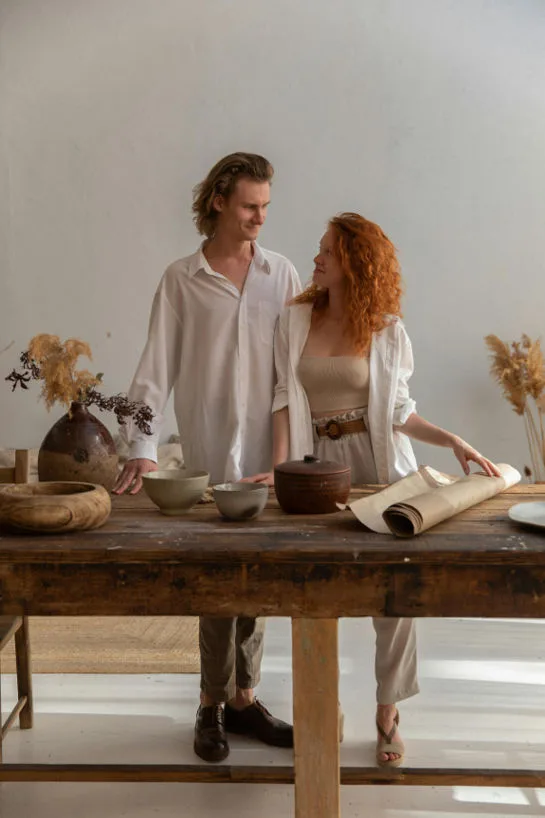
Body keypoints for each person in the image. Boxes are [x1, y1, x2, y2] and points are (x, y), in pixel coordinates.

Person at [244, 212, 500, 767]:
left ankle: (387, 709)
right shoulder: (294, 320)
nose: (316, 260)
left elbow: (401, 410)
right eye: (318, 250)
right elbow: (285, 398)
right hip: (318, 472)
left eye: (327, 252)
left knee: (395, 596)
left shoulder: (385, 329)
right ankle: (322, 703)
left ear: (354, 263)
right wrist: (279, 469)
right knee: (320, 591)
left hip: (382, 466)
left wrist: (450, 439)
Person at [113, 152, 301, 763]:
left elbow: (295, 373)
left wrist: (294, 457)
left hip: (271, 457)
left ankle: (243, 698)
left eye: (266, 207)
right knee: (218, 580)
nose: (260, 218)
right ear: (219, 200)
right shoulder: (181, 279)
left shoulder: (282, 275)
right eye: (250, 206)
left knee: (261, 578)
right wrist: (141, 449)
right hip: (209, 453)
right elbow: (155, 368)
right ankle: (210, 702)